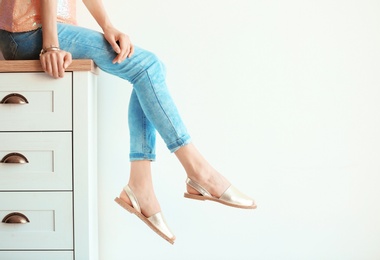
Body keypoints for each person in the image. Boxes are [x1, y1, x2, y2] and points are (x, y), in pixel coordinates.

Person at [0, 0, 256, 244]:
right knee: (148, 67)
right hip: (27, 31)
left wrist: (107, 25)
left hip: (47, 27)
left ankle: (141, 186)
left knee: (150, 71)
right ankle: (198, 172)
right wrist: (51, 45)